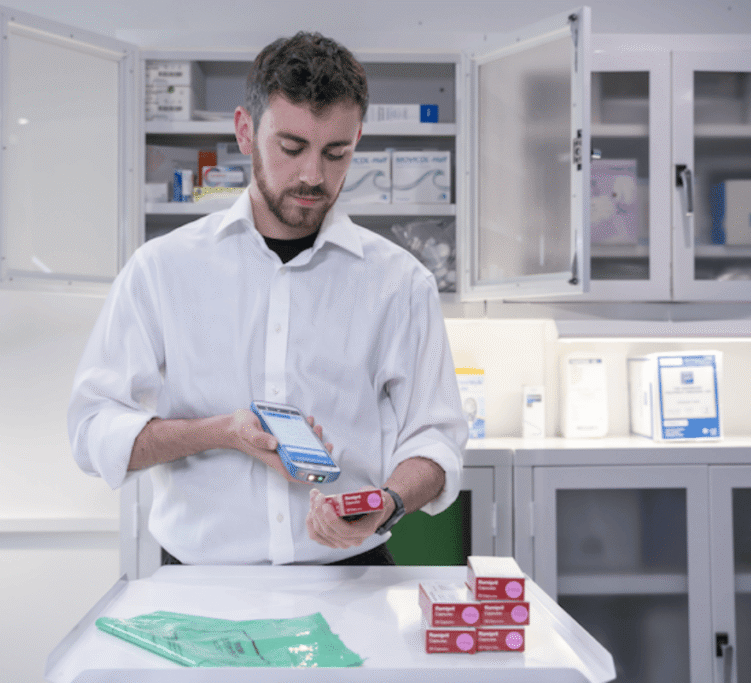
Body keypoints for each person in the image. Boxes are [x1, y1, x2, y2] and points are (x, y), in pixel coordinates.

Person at [67, 31, 466, 566]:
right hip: (202, 583)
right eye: (292, 147)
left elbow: (435, 437)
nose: (313, 175)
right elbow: (92, 429)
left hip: (350, 577)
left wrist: (388, 502)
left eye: (336, 153)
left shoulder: (399, 282)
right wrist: (219, 432)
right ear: (245, 131)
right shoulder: (163, 270)